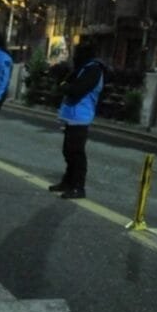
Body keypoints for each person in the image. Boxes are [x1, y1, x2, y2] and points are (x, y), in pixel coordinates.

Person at [49, 41, 104, 200]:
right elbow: (66, 84)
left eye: (78, 52)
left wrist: (65, 85)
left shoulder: (93, 69)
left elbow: (76, 89)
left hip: (81, 115)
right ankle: (67, 182)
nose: (75, 56)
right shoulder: (83, 68)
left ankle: (78, 187)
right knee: (68, 151)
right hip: (71, 115)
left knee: (76, 153)